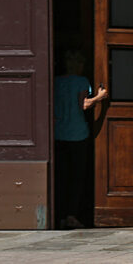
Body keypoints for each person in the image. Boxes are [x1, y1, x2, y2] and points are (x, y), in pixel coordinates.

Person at [54, 50, 108, 229]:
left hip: (58, 133)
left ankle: (59, 215)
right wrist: (100, 97)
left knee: (61, 176)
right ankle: (72, 215)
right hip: (78, 134)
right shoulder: (81, 81)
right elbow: (84, 104)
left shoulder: (56, 81)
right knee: (77, 177)